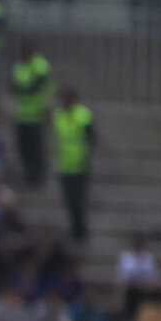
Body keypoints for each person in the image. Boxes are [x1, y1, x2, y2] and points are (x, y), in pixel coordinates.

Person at [54, 87, 96, 243]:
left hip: (80, 166)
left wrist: (86, 157)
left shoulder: (83, 114)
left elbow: (92, 137)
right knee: (69, 202)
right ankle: (74, 230)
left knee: (79, 202)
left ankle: (81, 232)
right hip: (65, 166)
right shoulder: (59, 115)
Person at [12, 40, 52, 188]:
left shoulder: (40, 65)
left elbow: (35, 86)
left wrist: (23, 88)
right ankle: (29, 175)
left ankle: (39, 176)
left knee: (36, 148)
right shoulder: (20, 65)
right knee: (24, 147)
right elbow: (15, 85)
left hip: (36, 113)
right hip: (22, 114)